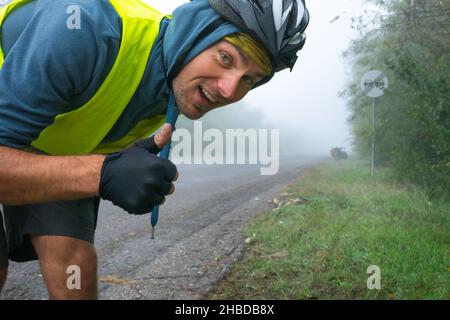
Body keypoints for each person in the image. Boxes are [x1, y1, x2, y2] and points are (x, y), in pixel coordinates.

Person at [0, 0, 309, 299]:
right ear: (194, 31)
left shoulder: (176, 80)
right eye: (226, 58)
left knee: (74, 266)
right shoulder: (85, 26)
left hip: (49, 144)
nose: (229, 89)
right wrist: (103, 173)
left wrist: (121, 165)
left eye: (249, 79)